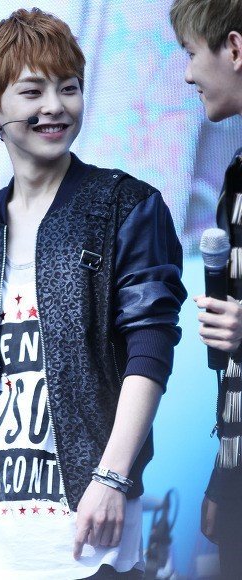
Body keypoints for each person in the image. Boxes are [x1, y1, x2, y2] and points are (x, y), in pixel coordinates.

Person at [0, 8, 186, 579]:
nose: (55, 106)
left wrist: (112, 477)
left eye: (69, 88)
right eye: (32, 91)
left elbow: (150, 346)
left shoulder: (126, 206)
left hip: (87, 531)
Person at [170, 1, 242, 578]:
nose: (188, 74)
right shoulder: (237, 170)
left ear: (234, 50)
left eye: (192, 54)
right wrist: (226, 475)